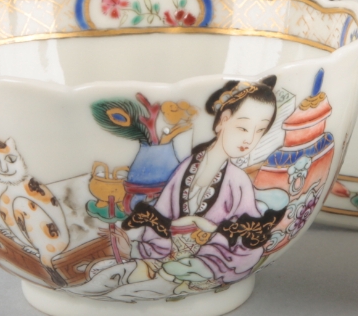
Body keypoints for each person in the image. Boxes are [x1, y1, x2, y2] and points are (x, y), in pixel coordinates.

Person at [122, 76, 285, 289]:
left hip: (209, 263)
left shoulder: (238, 180)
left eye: (260, 130)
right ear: (223, 120)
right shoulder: (186, 167)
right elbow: (160, 216)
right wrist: (155, 250)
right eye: (243, 128)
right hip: (168, 256)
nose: (250, 139)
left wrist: (207, 259)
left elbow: (250, 238)